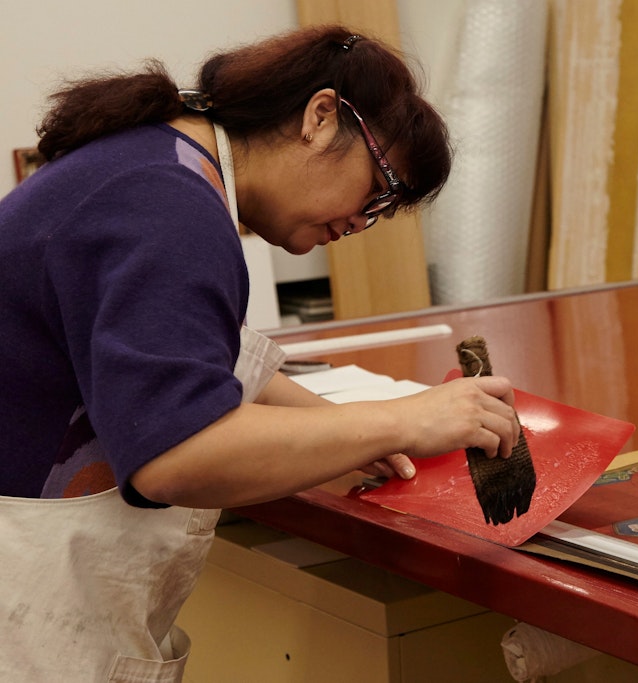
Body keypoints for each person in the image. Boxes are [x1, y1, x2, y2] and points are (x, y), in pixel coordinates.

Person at [0, 25, 520, 682]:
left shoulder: (159, 162)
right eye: (380, 187)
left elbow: (199, 350)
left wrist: (351, 431)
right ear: (320, 117)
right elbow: (175, 454)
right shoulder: (167, 206)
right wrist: (402, 420)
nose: (362, 221)